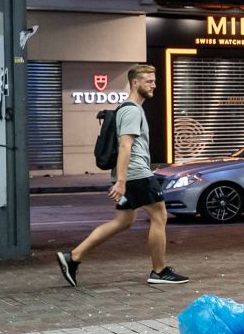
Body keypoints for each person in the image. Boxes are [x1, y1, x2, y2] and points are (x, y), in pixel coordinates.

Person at [56, 64, 188, 286]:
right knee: (159, 215)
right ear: (135, 83)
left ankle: (74, 257)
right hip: (137, 175)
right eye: (149, 81)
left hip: (131, 175)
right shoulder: (131, 110)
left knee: (123, 220)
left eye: (154, 81)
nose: (154, 84)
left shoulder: (130, 109)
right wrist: (121, 181)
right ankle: (159, 271)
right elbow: (125, 145)